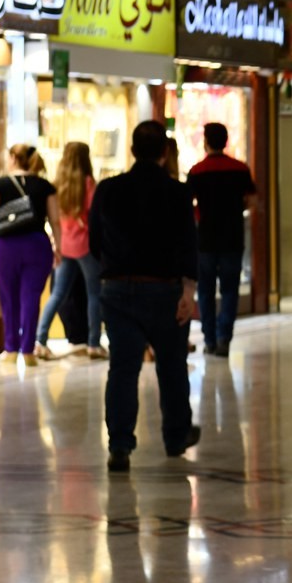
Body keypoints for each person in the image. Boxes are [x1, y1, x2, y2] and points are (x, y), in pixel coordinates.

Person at [89, 121, 202, 474]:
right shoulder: (178, 193)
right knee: (171, 365)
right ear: (165, 152)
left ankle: (120, 444)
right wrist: (188, 291)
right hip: (164, 289)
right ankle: (175, 435)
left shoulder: (108, 190)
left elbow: (94, 241)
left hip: (118, 288)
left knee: (122, 369)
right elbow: (188, 245)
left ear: (133, 150)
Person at [0, 143, 58, 367]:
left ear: (13, 158)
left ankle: (11, 348)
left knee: (8, 296)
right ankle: (28, 350)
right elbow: (55, 221)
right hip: (37, 244)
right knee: (31, 297)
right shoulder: (45, 186)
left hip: (5, 246)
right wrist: (59, 248)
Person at [187, 123, 257, 357]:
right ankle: (224, 337)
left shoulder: (197, 171)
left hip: (205, 239)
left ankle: (209, 339)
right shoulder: (240, 169)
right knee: (230, 290)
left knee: (205, 291)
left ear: (206, 142)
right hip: (232, 238)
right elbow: (252, 201)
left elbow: (188, 205)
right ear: (226, 141)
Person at [34, 142, 105, 360]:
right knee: (95, 294)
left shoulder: (57, 184)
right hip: (84, 245)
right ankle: (93, 343)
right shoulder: (88, 183)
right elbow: (94, 213)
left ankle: (40, 339)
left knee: (57, 294)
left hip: (65, 245)